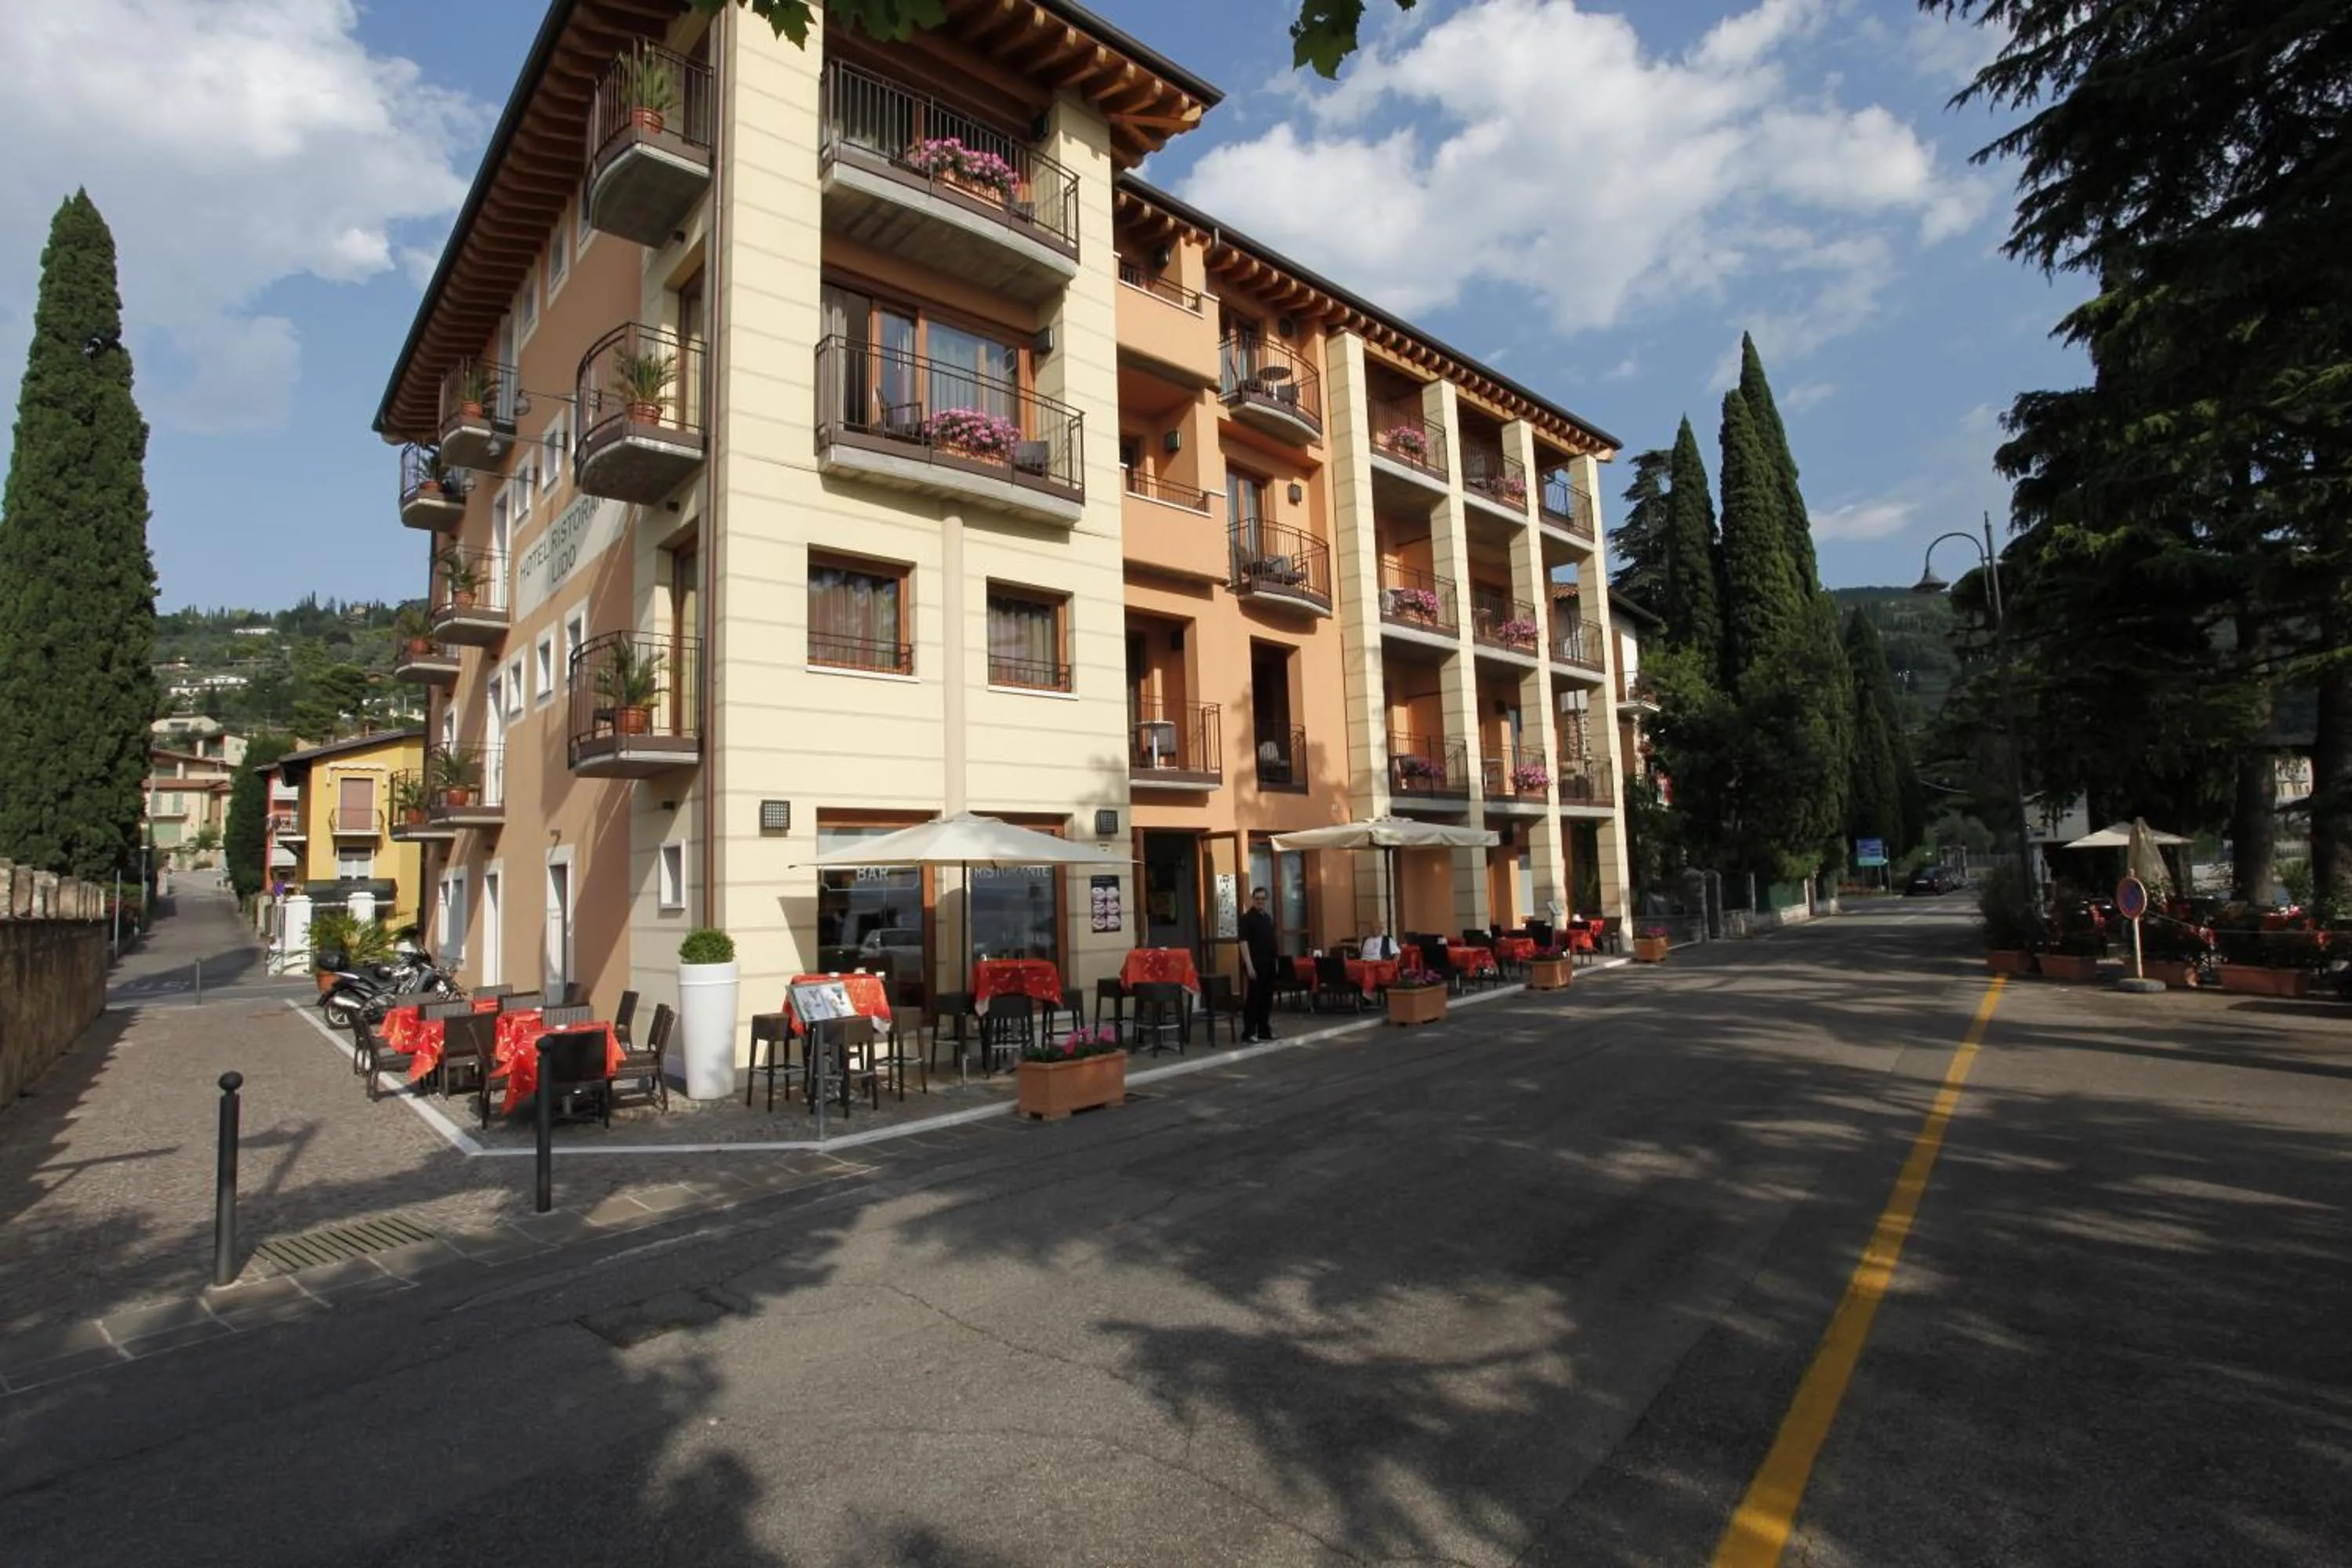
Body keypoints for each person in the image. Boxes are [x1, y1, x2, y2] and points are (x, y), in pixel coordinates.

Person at [1238, 886, 1279, 1041]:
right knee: (1254, 999)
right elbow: (1243, 942)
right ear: (1253, 900)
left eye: (1263, 899)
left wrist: (1276, 962)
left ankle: (1264, 1030)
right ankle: (1249, 1032)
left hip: (1269, 964)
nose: (1260, 901)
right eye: (1257, 899)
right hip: (1255, 965)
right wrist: (1249, 965)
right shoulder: (1247, 919)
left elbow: (1272, 942)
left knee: (1266, 999)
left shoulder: (1267, 918)